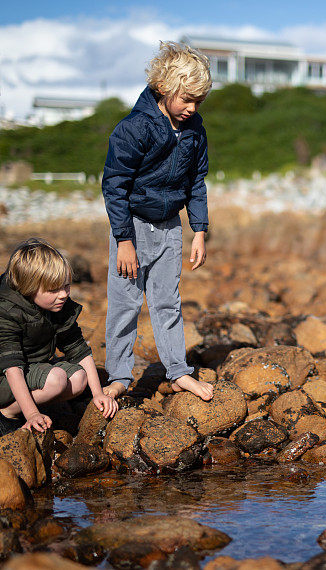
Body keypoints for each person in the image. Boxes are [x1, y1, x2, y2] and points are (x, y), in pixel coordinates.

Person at [101, 41, 213, 401]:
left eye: (198, 101)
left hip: (170, 228)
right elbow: (114, 185)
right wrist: (124, 240)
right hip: (132, 228)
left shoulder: (195, 129)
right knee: (125, 305)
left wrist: (199, 231)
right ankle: (119, 375)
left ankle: (178, 372)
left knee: (167, 303)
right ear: (163, 87)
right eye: (186, 99)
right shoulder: (134, 128)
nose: (192, 108)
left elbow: (196, 181)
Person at [0, 239, 119, 435]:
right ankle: (8, 412)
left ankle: (28, 404)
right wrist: (31, 414)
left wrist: (97, 393)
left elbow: (79, 350)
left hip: (32, 366)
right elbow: (12, 368)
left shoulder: (58, 305)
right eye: (54, 290)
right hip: (4, 376)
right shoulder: (7, 311)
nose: (63, 294)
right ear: (28, 288)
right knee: (56, 379)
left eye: (66, 286)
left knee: (79, 379)